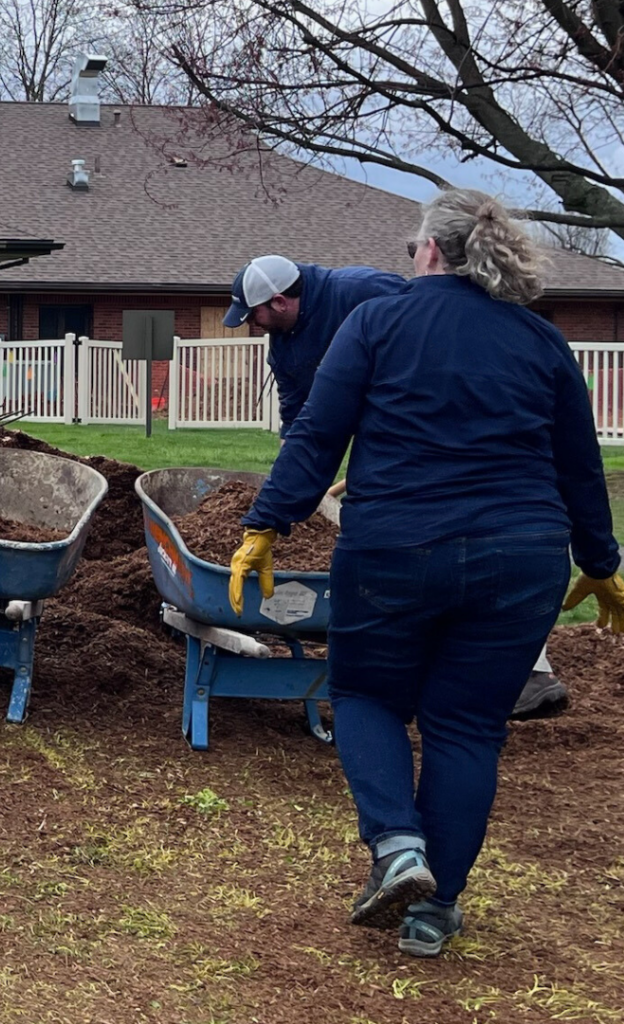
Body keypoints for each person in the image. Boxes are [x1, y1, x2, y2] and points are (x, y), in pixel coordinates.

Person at [227, 189, 624, 956]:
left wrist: (264, 524)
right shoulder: (542, 342)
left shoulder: (376, 320)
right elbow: (581, 464)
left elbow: (316, 435)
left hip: (396, 548)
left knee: (367, 692)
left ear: (433, 252)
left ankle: (399, 849)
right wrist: (603, 564)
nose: (409, 258)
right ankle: (434, 910)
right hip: (523, 558)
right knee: (468, 726)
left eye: (412, 247)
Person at [224, 253, 567, 719]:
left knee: (479, 545)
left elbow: (440, 335)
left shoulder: (366, 291)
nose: (252, 324)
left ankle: (532, 673)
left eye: (254, 314)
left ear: (279, 302)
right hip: (392, 455)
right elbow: (304, 424)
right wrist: (290, 489)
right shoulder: (285, 345)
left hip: (454, 430)